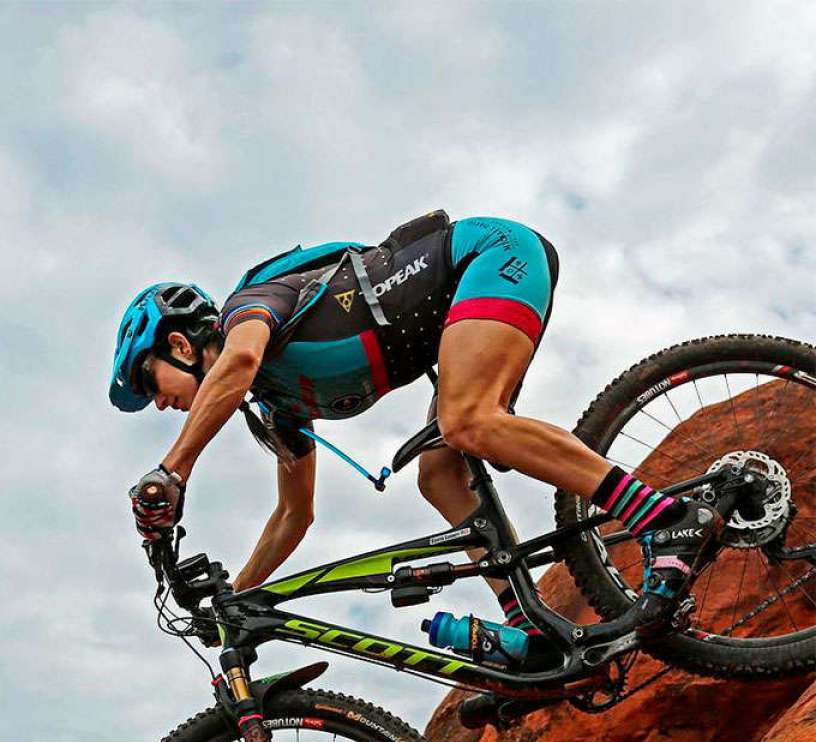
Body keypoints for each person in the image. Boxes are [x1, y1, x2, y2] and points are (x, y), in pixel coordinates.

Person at [109, 212, 718, 656]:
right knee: (438, 474)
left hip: (489, 256)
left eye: (150, 381)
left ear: (181, 344)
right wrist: (234, 600)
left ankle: (663, 518)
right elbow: (294, 517)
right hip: (461, 308)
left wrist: (174, 470)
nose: (157, 403)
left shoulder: (248, 313)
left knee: (467, 419)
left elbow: (236, 367)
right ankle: (531, 631)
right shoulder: (279, 403)